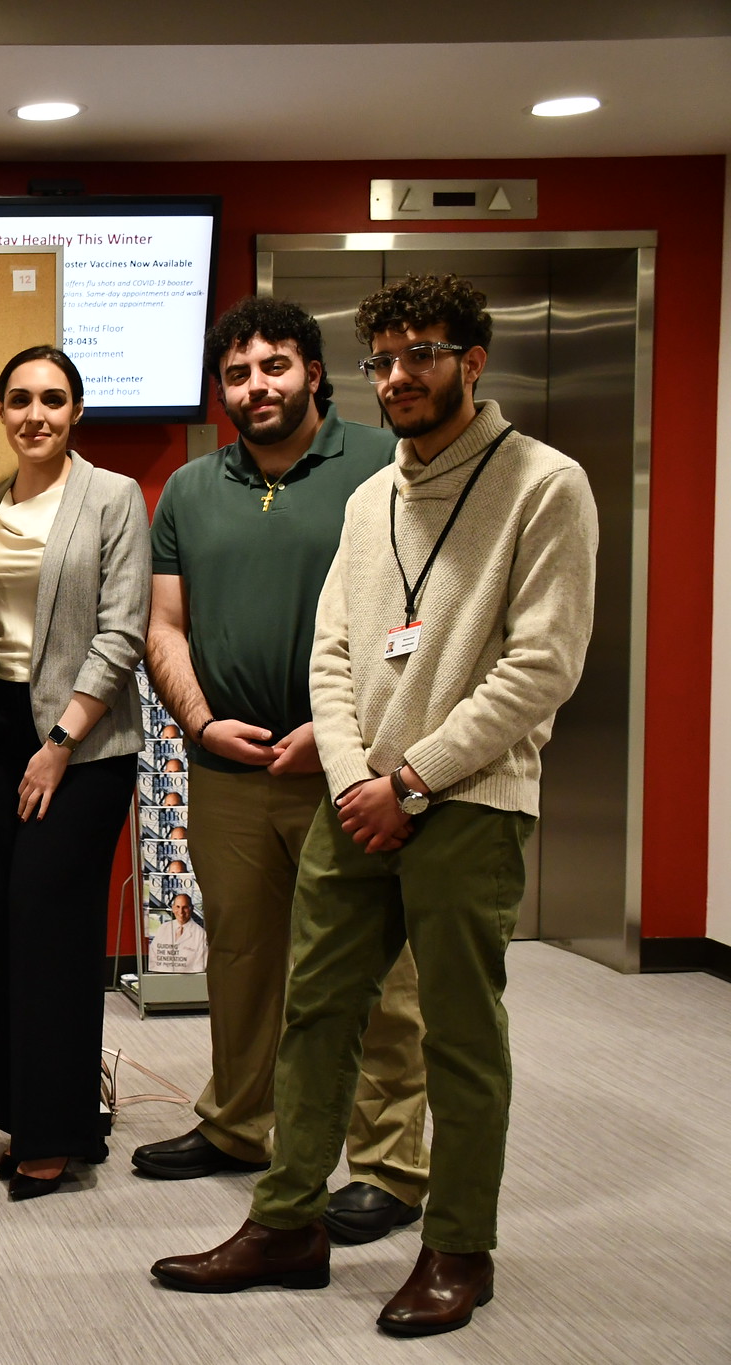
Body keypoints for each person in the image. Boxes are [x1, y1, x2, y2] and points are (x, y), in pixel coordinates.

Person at [151, 275, 597, 1337]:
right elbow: (335, 654)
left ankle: (455, 1248)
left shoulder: (545, 486)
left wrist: (409, 779)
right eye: (384, 360)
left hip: (469, 802)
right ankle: (286, 1223)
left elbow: (540, 666)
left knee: (453, 1032)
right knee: (314, 1011)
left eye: (421, 355)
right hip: (361, 799)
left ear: (472, 360)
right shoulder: (370, 499)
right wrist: (358, 779)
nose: (397, 377)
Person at [138, 296, 430, 1244]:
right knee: (245, 957)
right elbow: (165, 627)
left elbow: (412, 623)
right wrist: (201, 720)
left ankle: (388, 1164)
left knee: (373, 970)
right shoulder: (188, 489)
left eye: (273, 366)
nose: (255, 387)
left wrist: (332, 731)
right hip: (226, 768)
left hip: (350, 768)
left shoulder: (383, 470)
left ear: (311, 368)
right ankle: (238, 1124)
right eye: (236, 373)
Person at [0, 345, 148, 1200]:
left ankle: (55, 1134)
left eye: (54, 399)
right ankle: (28, 1111)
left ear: (77, 414)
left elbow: (123, 630)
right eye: (21, 399)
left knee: (51, 932)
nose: (37, 413)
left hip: (83, 743)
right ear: (1, 410)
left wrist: (62, 740)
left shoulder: (111, 498)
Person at [148, 895, 209, 974]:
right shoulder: (163, 928)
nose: (181, 912)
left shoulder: (201, 934)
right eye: (177, 907)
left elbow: (201, 965)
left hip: (188, 982)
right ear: (173, 908)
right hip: (162, 978)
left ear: (192, 909)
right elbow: (153, 956)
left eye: (185, 907)